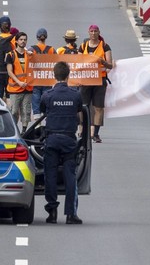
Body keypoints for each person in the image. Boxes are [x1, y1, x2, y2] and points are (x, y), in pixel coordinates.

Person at [40, 61, 83, 225]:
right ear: (68, 75)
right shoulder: (75, 95)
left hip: (51, 139)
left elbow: (44, 112)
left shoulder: (47, 95)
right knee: (70, 176)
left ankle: (52, 212)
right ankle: (71, 214)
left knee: (49, 175)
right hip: (69, 140)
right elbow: (79, 114)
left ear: (54, 75)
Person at [80, 25, 113, 143]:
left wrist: (102, 61)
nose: (93, 33)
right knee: (83, 107)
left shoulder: (104, 46)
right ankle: (84, 131)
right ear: (88, 33)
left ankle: (96, 134)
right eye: (91, 31)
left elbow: (110, 65)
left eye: (95, 31)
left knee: (98, 107)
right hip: (86, 80)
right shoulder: (83, 46)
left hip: (100, 80)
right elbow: (77, 63)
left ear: (99, 32)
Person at [5, 32, 33, 132]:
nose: (23, 41)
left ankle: (24, 131)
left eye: (25, 39)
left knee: (26, 111)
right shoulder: (10, 55)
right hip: (15, 89)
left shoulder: (29, 55)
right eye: (21, 39)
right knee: (14, 111)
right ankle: (14, 130)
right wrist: (19, 82)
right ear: (16, 41)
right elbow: (10, 72)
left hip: (27, 88)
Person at [30, 28, 55, 119]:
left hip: (36, 79)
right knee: (47, 98)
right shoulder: (51, 49)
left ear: (37, 37)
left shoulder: (32, 49)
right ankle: (47, 116)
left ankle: (37, 121)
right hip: (47, 79)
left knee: (36, 98)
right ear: (46, 37)